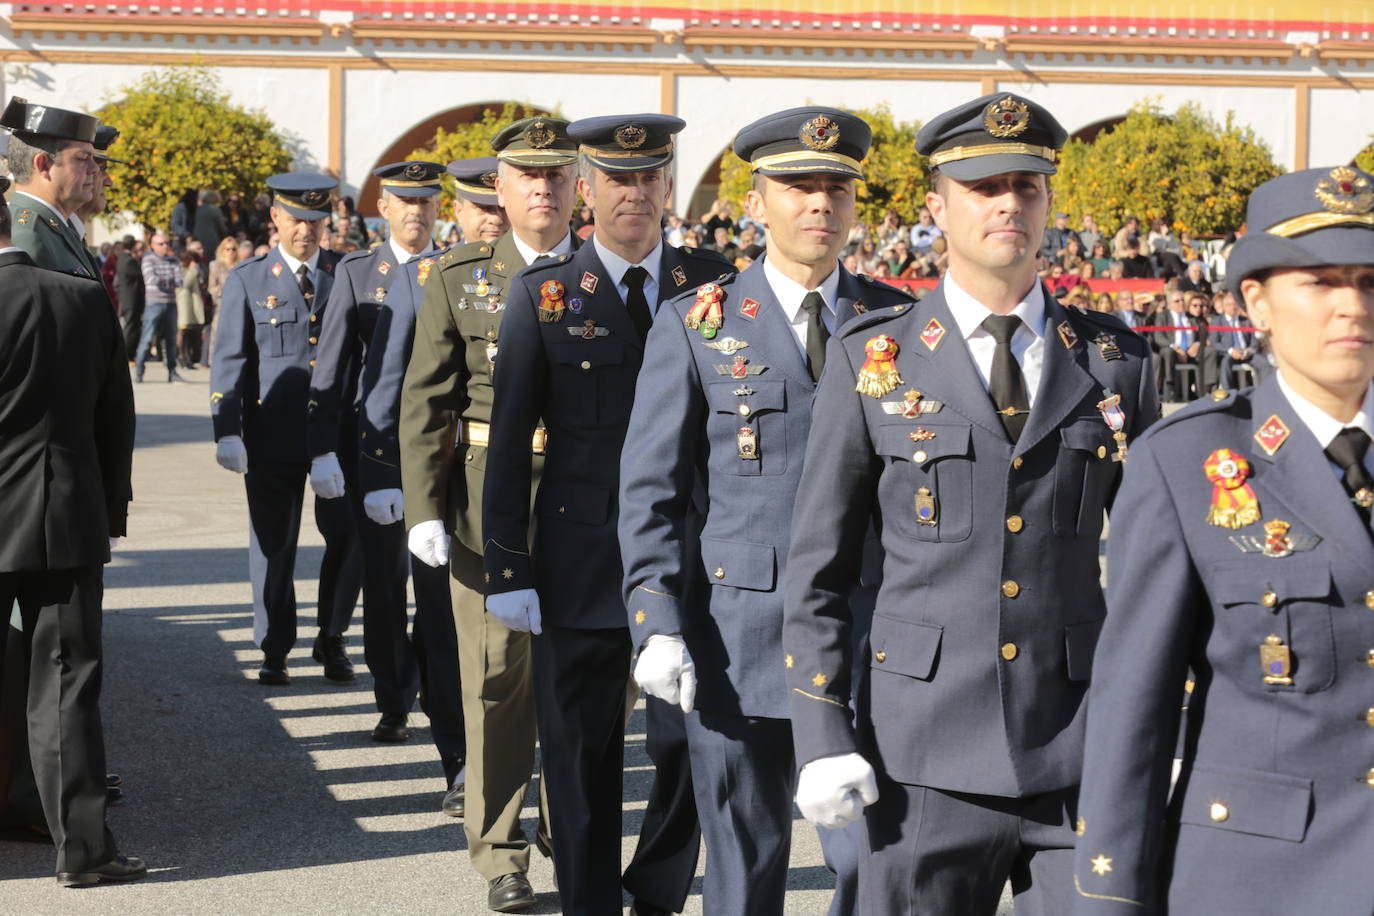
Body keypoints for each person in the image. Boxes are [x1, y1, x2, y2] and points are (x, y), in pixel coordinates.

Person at [782, 92, 1159, 914]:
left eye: (1026, 186)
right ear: (937, 208)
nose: (1008, 205)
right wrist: (820, 733)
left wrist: (1170, 722)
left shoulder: (1115, 361)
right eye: (984, 187)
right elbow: (818, 567)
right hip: (923, 753)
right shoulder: (872, 359)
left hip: (1079, 744)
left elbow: (1161, 568)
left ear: (1049, 202)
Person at [620, 106, 913, 916]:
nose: (819, 203)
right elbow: (653, 488)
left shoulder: (901, 325)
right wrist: (656, 620)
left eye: (836, 189)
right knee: (745, 869)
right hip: (737, 637)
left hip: (869, 637)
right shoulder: (700, 325)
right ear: (757, 203)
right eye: (797, 187)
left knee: (873, 869)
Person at [1071, 165, 1374, 913]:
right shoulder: (1187, 462)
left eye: (1369, 281)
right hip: (1264, 880)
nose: (1353, 307)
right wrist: (1108, 896)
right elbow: (1131, 708)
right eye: (1321, 281)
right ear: (1256, 303)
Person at [480, 113, 731, 916]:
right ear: (585, 189)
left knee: (692, 749)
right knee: (580, 763)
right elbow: (510, 440)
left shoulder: (714, 285)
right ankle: (590, 904)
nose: (634, 193)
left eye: (649, 177)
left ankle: (655, 889)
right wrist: (507, 566)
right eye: (616, 179)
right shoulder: (545, 297)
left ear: (668, 187)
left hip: (693, 560)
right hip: (580, 563)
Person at [400, 128, 579, 912]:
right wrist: (422, 506)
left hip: (585, 511)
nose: (542, 188)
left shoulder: (605, 276)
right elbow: (425, 397)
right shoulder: (460, 276)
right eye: (526, 177)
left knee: (583, 685)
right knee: (497, 684)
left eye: (555, 176)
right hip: (482, 509)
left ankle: (570, 830)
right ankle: (502, 854)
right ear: (499, 191)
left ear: (577, 187)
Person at [0, 176, 142, 887]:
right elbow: (116, 417)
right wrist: (109, 510)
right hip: (61, 517)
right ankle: (83, 852)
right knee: (65, 686)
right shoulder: (82, 298)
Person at [305, 161, 461, 781]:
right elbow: (333, 369)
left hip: (439, 458)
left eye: (426, 201)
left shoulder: (455, 269)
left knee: (437, 589)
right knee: (385, 585)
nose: (417, 212)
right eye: (406, 201)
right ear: (384, 208)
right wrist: (323, 449)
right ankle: (393, 696)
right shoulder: (355, 272)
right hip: (373, 453)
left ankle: (435, 693)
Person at [210, 173, 361, 686]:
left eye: (317, 221)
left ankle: (333, 636)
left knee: (346, 538)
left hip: (336, 438)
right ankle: (275, 646)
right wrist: (226, 427)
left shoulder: (347, 273)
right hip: (272, 435)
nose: (307, 230)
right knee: (274, 545)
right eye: (297, 219)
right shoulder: (249, 279)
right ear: (275, 218)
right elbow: (230, 357)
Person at [0, 97, 101, 279]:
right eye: (82, 158)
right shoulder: (28, 235)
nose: (95, 169)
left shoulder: (56, 226)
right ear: (44, 165)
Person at [136, 232, 185, 383]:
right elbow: (151, 279)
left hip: (171, 304)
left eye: (167, 243)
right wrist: (168, 280)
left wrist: (164, 281)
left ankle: (172, 372)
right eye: (161, 244)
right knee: (147, 338)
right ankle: (139, 372)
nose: (165, 246)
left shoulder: (174, 260)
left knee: (171, 339)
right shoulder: (148, 258)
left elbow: (180, 282)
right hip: (153, 303)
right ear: (152, 245)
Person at [1154, 288, 1219, 400]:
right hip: (1173, 351)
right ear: (1169, 304)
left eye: (1183, 300)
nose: (1181, 303)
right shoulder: (1162, 316)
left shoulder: (1190, 317)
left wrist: (1197, 344)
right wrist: (1175, 347)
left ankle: (1206, 389)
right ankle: (1170, 388)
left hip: (1191, 352)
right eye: (1177, 301)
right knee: (1167, 352)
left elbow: (1202, 335)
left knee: (1210, 351)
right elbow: (1159, 338)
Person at [1213, 289, 1257, 389]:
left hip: (1247, 353)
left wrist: (1249, 351)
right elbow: (1215, 343)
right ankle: (1228, 393)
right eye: (1229, 304)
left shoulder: (1245, 320)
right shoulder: (1217, 321)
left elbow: (1254, 340)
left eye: (1234, 304)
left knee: (1262, 361)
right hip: (1230, 353)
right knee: (1225, 363)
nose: (1232, 307)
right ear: (1223, 307)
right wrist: (1231, 351)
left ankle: (1264, 391)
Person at [113, 235, 144, 360]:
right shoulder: (128, 260)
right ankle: (128, 354)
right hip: (131, 299)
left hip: (127, 298)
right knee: (131, 328)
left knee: (131, 326)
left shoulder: (122, 258)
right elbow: (139, 276)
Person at [175, 247, 205, 369]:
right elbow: (185, 283)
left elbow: (200, 281)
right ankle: (181, 357)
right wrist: (193, 271)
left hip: (192, 304)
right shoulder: (179, 269)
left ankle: (189, 358)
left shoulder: (193, 268)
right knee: (183, 331)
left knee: (191, 333)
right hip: (184, 303)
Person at [192, 189, 229, 254]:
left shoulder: (197, 208)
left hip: (197, 237)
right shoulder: (215, 209)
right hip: (211, 239)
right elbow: (222, 228)